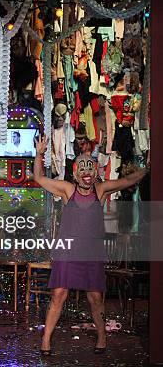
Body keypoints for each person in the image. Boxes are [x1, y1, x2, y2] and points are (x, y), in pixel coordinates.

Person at [34, 135, 149, 356]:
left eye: (91, 170)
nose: (87, 174)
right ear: (76, 173)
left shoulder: (101, 190)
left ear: (95, 171)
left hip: (91, 254)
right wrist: (40, 154)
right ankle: (46, 340)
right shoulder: (68, 190)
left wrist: (147, 169)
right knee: (58, 294)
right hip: (68, 252)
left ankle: (102, 338)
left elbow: (127, 182)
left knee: (95, 298)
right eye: (83, 170)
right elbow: (39, 178)